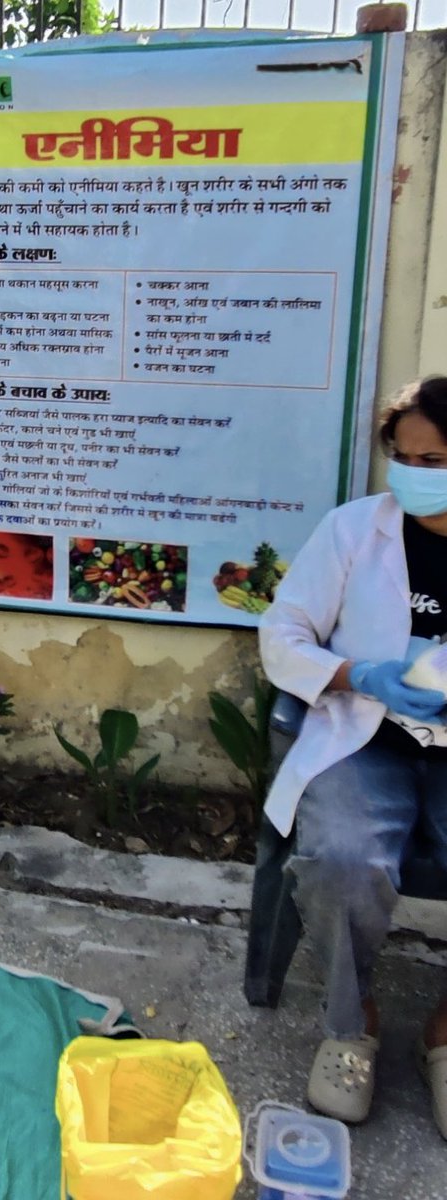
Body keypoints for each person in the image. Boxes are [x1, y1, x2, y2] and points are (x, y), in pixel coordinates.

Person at [260, 374, 447, 1134]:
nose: (416, 476)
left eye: (436, 460)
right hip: (368, 733)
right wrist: (355, 673)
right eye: (407, 459)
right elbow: (282, 637)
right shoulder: (352, 531)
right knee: (341, 857)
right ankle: (352, 1021)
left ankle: (445, 1031)